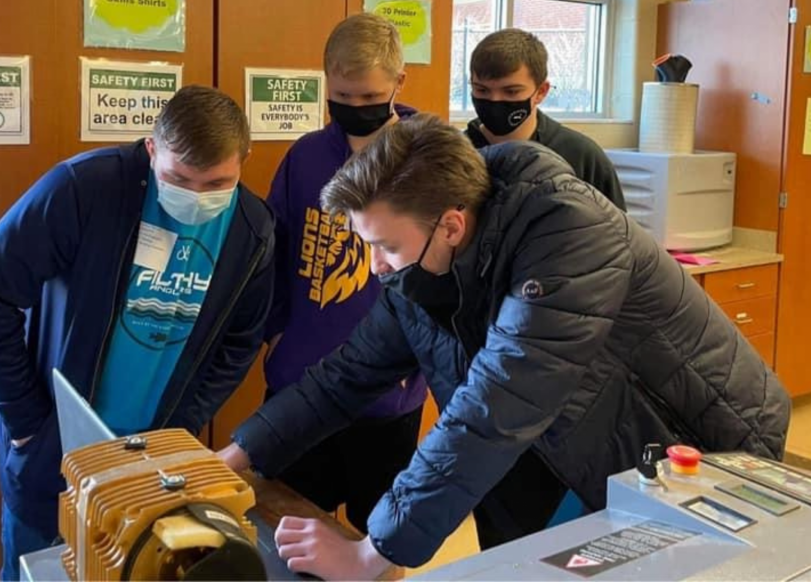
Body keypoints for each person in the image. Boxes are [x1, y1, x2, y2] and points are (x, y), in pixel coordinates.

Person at [219, 115, 790, 581]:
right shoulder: (416, 270)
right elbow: (345, 375)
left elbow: (498, 402)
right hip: (566, 443)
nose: (375, 268)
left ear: (449, 226)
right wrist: (231, 458)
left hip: (696, 444)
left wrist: (371, 554)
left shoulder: (570, 232)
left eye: (386, 246)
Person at [0, 85, 275, 581]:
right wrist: (25, 422)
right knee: (36, 570)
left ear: (244, 162)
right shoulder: (84, 188)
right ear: (151, 149)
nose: (195, 198)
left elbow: (240, 340)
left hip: (151, 466)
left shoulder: (253, 229)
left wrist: (183, 426)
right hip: (52, 455)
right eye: (178, 179)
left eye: (216, 184)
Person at [263, 13, 426, 532]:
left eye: (369, 98)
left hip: (386, 399)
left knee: (378, 543)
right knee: (286, 532)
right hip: (299, 389)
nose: (355, 110)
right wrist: (273, 336)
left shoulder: (429, 158)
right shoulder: (306, 156)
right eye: (343, 97)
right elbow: (274, 252)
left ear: (399, 83)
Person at [466, 27, 626, 209]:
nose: (494, 101)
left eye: (511, 92)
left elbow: (617, 233)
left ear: (541, 92)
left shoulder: (581, 155)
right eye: (482, 90)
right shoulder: (457, 153)